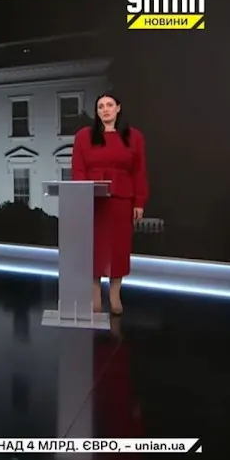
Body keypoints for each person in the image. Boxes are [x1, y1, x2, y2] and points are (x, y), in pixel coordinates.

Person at [71, 93, 148, 314]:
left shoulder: (134, 137)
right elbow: (78, 168)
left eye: (109, 105)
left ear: (118, 108)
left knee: (119, 249)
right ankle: (95, 295)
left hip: (122, 199)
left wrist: (139, 201)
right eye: (100, 106)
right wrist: (82, 196)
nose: (105, 109)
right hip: (93, 201)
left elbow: (139, 171)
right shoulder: (84, 136)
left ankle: (115, 295)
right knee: (93, 248)